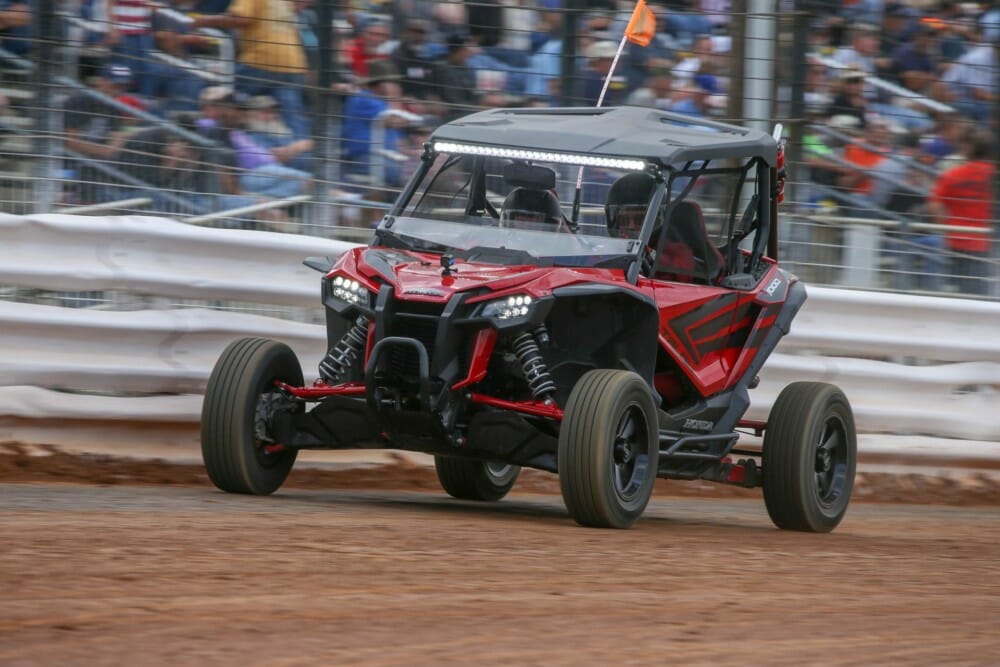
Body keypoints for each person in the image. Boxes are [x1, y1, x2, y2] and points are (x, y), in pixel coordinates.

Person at [192, 0, 311, 139]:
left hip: (262, 60)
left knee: (223, 98)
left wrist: (202, 21)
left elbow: (241, 18)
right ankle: (300, 155)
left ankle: (209, 141)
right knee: (292, 119)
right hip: (294, 65)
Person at [927, 133, 996, 295]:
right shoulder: (994, 176)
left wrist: (948, 226)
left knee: (964, 290)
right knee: (983, 292)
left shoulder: (952, 175)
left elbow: (933, 205)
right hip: (986, 240)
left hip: (957, 240)